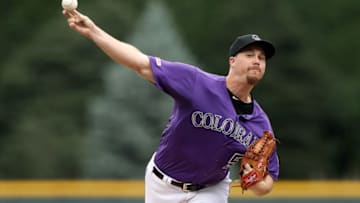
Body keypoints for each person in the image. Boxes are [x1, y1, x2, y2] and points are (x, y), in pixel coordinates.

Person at [63, 9, 279, 203]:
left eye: (262, 58)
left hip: (211, 190)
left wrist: (259, 184)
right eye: (249, 55)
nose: (257, 61)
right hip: (162, 184)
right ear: (232, 61)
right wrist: (94, 31)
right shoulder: (196, 83)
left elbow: (268, 182)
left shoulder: (260, 124)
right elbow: (139, 63)